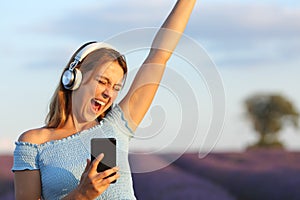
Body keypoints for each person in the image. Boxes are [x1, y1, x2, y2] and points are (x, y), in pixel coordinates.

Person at [12, 0, 196, 199]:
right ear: (75, 78)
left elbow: (159, 55)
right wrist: (81, 195)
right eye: (103, 81)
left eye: (116, 87)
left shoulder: (117, 126)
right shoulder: (33, 143)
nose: (109, 93)